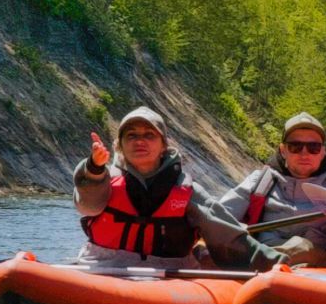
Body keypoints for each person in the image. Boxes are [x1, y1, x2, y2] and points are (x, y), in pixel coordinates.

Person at [73, 107, 284, 270]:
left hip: (170, 272)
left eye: (149, 135)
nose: (140, 142)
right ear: (119, 145)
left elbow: (226, 234)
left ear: (163, 145)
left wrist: (274, 263)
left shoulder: (187, 190)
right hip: (104, 266)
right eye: (132, 136)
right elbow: (88, 206)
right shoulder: (102, 180)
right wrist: (93, 168)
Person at [218, 112, 326, 270]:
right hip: (261, 264)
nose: (304, 153)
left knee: (301, 246)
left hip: (316, 270)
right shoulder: (259, 182)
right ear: (283, 150)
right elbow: (218, 218)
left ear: (323, 151)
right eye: (295, 146)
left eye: (313, 147)